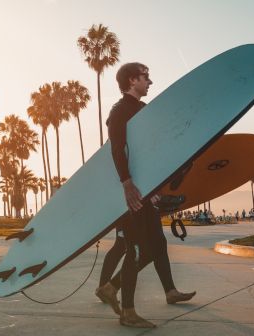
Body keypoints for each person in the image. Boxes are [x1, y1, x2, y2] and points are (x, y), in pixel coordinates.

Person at [97, 62, 195, 328]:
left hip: (146, 192)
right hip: (133, 194)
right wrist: (127, 183)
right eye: (145, 77)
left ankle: (117, 287)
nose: (149, 82)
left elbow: (152, 151)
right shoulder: (119, 111)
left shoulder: (143, 110)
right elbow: (117, 150)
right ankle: (127, 311)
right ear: (132, 80)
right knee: (136, 249)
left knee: (154, 247)